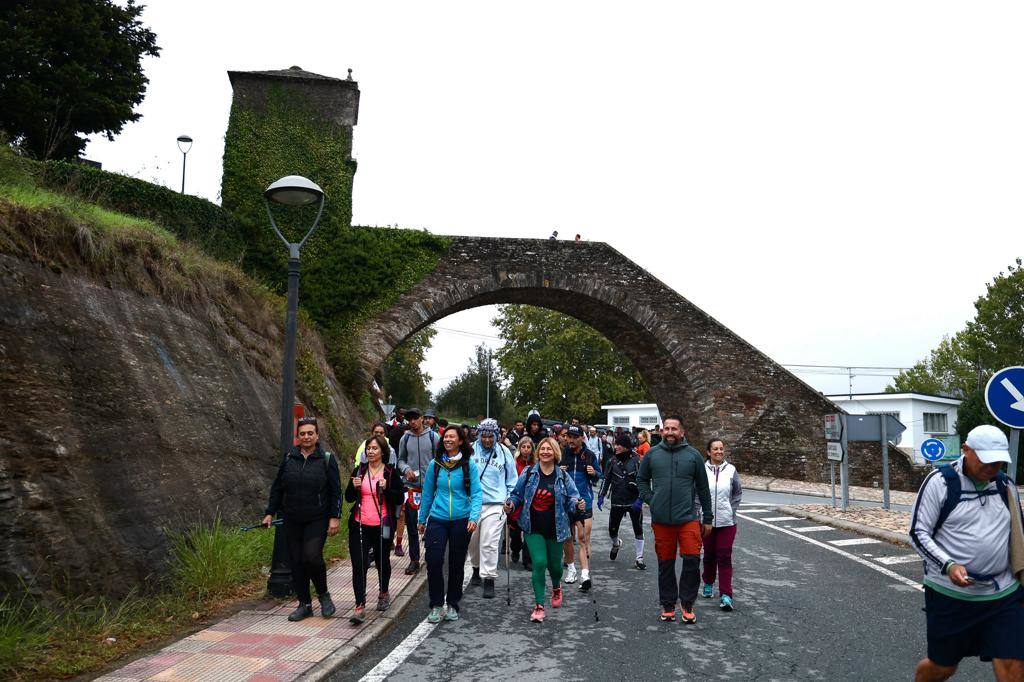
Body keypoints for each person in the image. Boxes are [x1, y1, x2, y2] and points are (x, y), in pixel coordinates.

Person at [909, 424, 1024, 681]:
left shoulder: (1004, 485)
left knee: (1014, 663)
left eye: (998, 461)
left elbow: (1018, 534)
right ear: (966, 450)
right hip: (951, 596)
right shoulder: (940, 483)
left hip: (1002, 593)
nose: (992, 467)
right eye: (986, 460)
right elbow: (917, 532)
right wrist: (948, 565)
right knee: (943, 667)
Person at [263, 416, 342, 621]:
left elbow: (336, 491)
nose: (306, 437)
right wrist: (270, 512)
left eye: (310, 433)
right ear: (298, 436)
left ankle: (323, 595)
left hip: (317, 517)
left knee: (312, 556)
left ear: (317, 435)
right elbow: (278, 487)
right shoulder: (289, 458)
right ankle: (304, 604)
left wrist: (335, 517)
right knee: (296, 562)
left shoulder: (326, 459)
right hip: (292, 518)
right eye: (302, 434)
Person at [636, 415, 712, 623]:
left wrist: (708, 517)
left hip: (688, 518)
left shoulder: (693, 455)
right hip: (661, 520)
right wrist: (651, 499)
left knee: (692, 561)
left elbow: (703, 488)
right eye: (666, 428)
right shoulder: (652, 454)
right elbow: (641, 480)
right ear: (662, 431)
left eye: (674, 429)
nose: (670, 432)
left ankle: (687, 604)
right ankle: (668, 604)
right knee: (666, 564)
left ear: (682, 432)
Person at [504, 437, 585, 622]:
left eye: (549, 449)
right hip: (532, 527)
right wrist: (510, 504)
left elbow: (572, 498)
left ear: (555, 452)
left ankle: (556, 587)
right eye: (542, 449)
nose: (545, 452)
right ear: (538, 452)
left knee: (555, 567)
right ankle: (539, 605)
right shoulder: (528, 473)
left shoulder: (562, 476)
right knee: (539, 563)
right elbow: (516, 495)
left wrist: (577, 504)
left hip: (557, 528)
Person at [418, 425, 482, 623]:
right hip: (438, 518)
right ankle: (436, 605)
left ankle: (453, 603)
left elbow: (477, 493)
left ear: (460, 441)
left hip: (461, 520)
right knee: (434, 560)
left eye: (452, 437)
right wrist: (422, 518)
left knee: (456, 563)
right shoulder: (435, 465)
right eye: (445, 437)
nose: (447, 440)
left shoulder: (468, 465)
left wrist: (473, 517)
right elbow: (427, 493)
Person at [344, 434, 406, 624]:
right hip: (359, 524)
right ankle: (359, 605)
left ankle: (383, 592)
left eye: (374, 448)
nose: (370, 451)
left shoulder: (390, 472)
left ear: (382, 452)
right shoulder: (359, 470)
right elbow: (348, 497)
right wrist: (354, 486)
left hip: (382, 525)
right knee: (359, 564)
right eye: (368, 448)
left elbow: (399, 498)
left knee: (382, 561)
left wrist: (387, 489)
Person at [468, 419, 518, 598]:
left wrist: (510, 499)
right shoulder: (470, 451)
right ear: (479, 435)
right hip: (472, 504)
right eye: (484, 436)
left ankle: (489, 578)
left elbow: (512, 480)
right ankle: (475, 567)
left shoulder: (504, 452)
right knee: (473, 541)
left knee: (489, 542)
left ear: (497, 436)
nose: (487, 440)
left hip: (496, 505)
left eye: (491, 436)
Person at [697, 438, 742, 611]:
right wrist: (698, 513)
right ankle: (708, 582)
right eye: (715, 449)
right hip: (706, 521)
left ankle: (726, 595)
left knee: (724, 556)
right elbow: (695, 493)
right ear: (708, 452)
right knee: (709, 555)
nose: (719, 452)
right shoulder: (701, 469)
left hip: (727, 521)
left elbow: (737, 492)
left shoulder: (731, 470)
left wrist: (731, 510)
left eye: (721, 448)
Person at [397, 407, 440, 574]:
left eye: (415, 418)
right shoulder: (405, 438)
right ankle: (414, 560)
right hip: (411, 488)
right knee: (412, 525)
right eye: (410, 419)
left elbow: (441, 459)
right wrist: (406, 469)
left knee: (432, 525)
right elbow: (400, 460)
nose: (412, 421)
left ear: (422, 418)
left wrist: (435, 476)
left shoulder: (433, 437)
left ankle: (432, 557)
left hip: (431, 489)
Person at [561, 424, 602, 590]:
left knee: (583, 537)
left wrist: (594, 473)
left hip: (584, 500)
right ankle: (571, 569)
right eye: (568, 436)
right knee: (567, 538)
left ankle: (585, 574)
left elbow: (599, 476)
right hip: (565, 501)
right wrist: (559, 470)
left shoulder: (589, 455)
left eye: (574, 437)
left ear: (581, 438)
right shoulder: (562, 453)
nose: (570, 440)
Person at [598, 434, 646, 570]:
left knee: (638, 528)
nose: (616, 447)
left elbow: (644, 481)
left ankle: (639, 558)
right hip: (617, 500)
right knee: (612, 530)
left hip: (634, 501)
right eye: (615, 444)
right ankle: (616, 543)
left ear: (626, 446)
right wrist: (601, 495)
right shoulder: (612, 461)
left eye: (619, 444)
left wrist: (640, 500)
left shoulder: (637, 460)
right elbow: (606, 479)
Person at [509, 437, 536, 570]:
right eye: (523, 447)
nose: (526, 450)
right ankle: (515, 549)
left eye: (528, 447)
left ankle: (527, 559)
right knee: (515, 534)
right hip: (517, 501)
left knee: (529, 532)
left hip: (530, 502)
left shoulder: (536, 464)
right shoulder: (513, 463)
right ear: (520, 448)